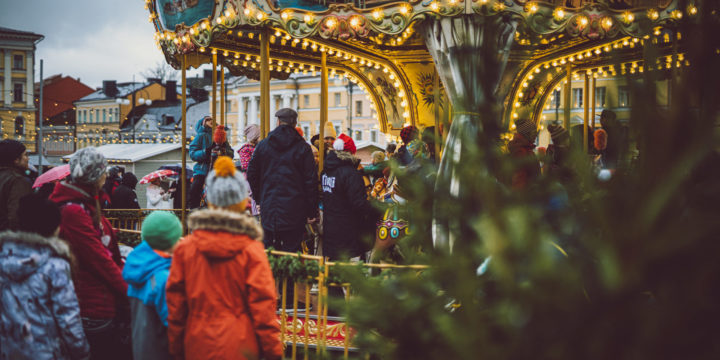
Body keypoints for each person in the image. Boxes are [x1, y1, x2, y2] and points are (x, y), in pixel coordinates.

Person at [166, 156, 282, 360]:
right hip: (240, 345)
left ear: (211, 200)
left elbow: (176, 308)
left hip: (197, 344)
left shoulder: (185, 249)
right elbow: (263, 309)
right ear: (240, 202)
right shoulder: (250, 250)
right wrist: (273, 351)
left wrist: (176, 348)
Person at [49, 147, 131, 360]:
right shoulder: (75, 210)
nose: (106, 175)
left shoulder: (86, 203)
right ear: (95, 176)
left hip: (97, 299)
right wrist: (128, 292)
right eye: (103, 171)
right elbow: (98, 259)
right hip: (92, 305)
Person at [0, 193, 90, 359]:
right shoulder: (55, 266)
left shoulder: (3, 258)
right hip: (45, 352)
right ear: (53, 228)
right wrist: (81, 352)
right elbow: (68, 318)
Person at [247, 108, 318, 253]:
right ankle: (288, 276)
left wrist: (259, 199)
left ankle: (270, 275)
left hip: (269, 206)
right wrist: (311, 211)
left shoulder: (263, 145)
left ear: (278, 122)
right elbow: (310, 181)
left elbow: (252, 174)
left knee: (269, 250)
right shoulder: (303, 148)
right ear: (295, 123)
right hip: (295, 209)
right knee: (292, 251)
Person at [123, 211, 183, 360]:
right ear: (170, 240)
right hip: (162, 352)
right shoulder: (163, 279)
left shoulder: (138, 269)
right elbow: (174, 324)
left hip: (141, 350)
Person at [322, 138, 377, 261]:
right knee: (347, 265)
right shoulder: (351, 173)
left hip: (330, 226)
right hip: (347, 229)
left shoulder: (326, 171)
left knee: (334, 262)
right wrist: (375, 207)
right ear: (351, 153)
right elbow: (358, 203)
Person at [0, 139, 31, 231]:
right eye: (25, 155)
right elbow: (16, 217)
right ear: (16, 160)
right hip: (7, 239)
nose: (28, 159)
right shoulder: (18, 181)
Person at [507, 118, 541, 189]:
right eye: (533, 132)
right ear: (526, 134)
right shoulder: (521, 152)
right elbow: (520, 178)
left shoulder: (525, 149)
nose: (535, 135)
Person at [188, 116, 214, 208]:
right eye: (208, 120)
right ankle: (193, 210)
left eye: (212, 119)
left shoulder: (219, 136)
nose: (211, 121)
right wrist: (205, 152)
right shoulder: (201, 136)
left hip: (216, 168)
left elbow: (229, 151)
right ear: (203, 123)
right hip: (203, 169)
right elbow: (192, 153)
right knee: (195, 191)